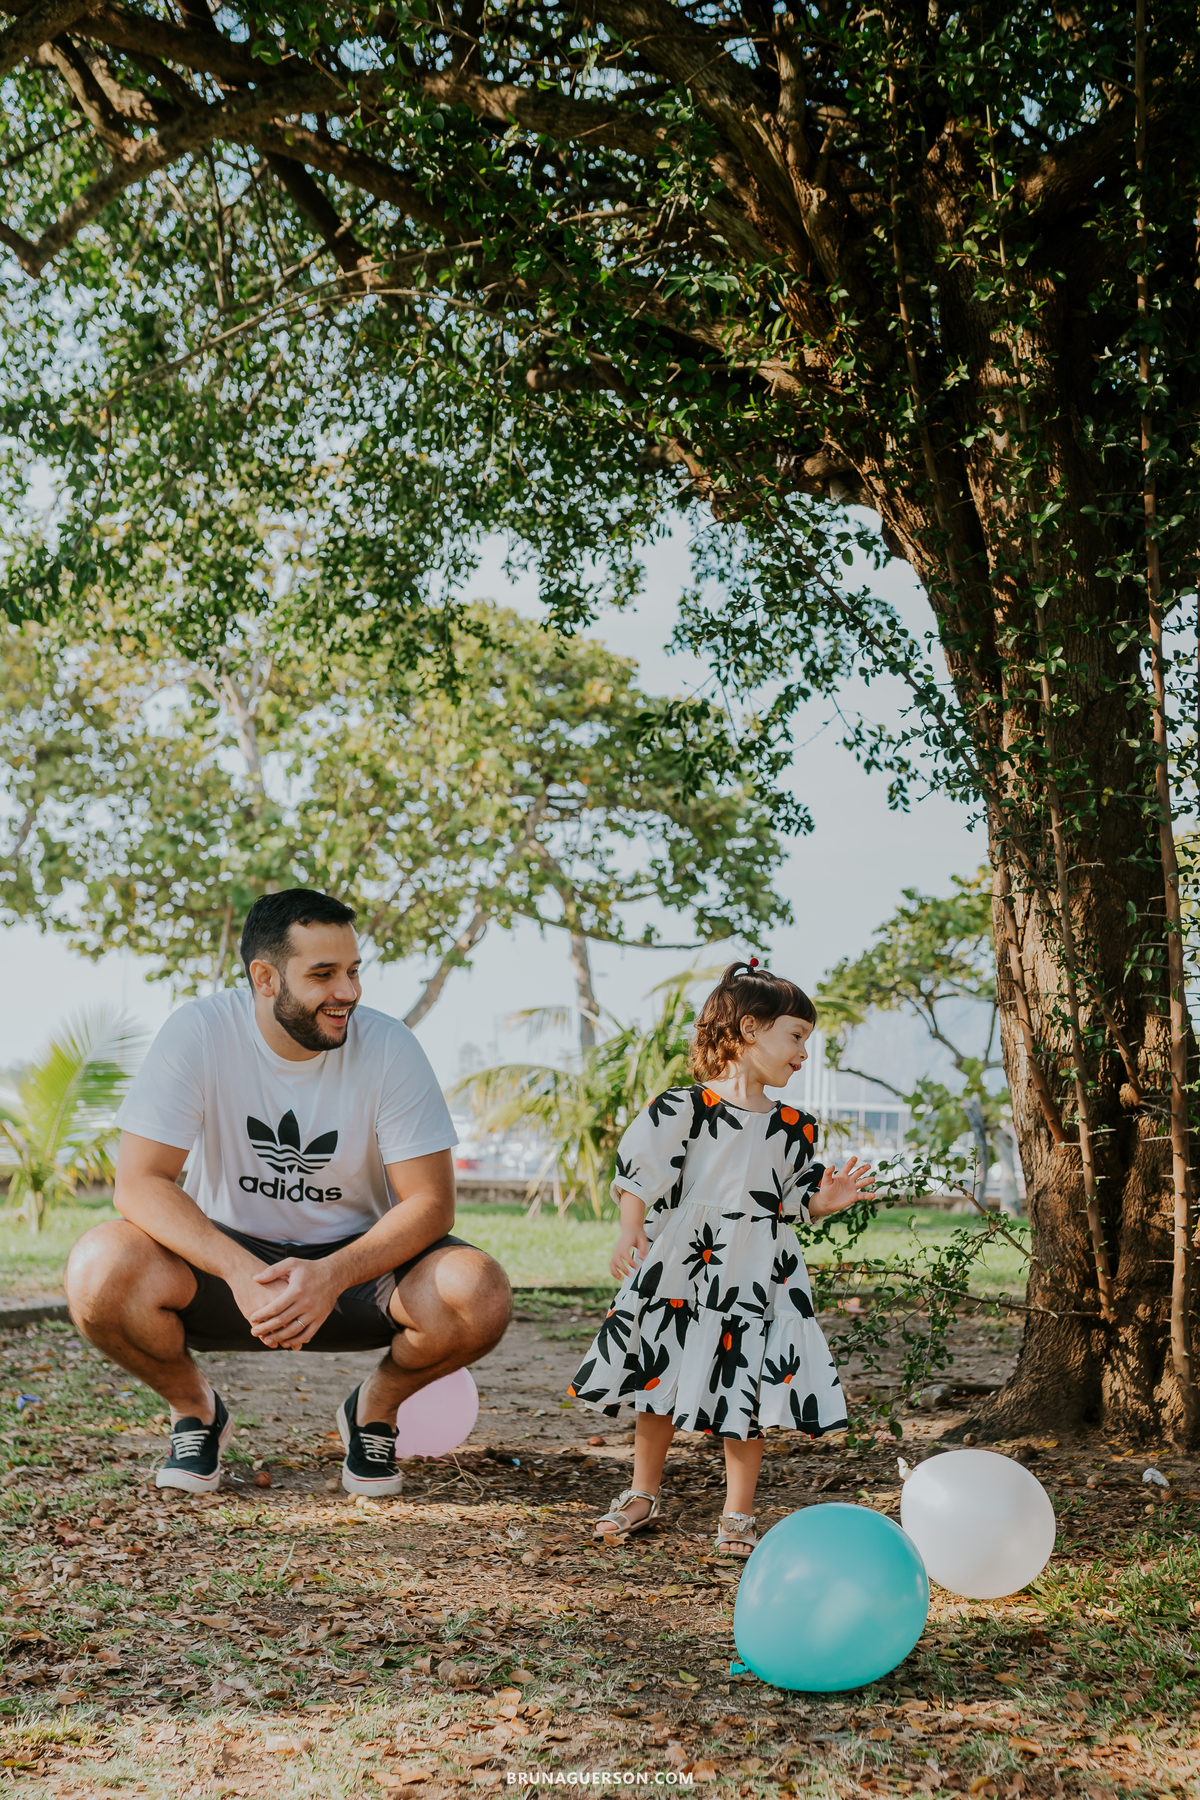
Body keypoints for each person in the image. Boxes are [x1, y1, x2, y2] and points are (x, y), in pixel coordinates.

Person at [64, 889, 511, 1498]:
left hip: (358, 1272)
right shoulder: (199, 1032)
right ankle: (195, 1412)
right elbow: (140, 1183)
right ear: (265, 978)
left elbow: (431, 1202)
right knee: (97, 1271)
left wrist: (332, 1275)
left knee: (478, 1292)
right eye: (323, 974)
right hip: (221, 1268)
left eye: (353, 971)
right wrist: (240, 1271)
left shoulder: (390, 1046)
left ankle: (374, 1413)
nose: (348, 991)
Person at [567, 960, 874, 1558]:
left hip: (758, 1273)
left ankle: (738, 1514)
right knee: (659, 1374)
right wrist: (629, 1229)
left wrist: (824, 1202)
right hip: (686, 1262)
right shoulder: (685, 1106)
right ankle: (642, 1494)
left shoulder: (795, 1127)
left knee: (747, 1384)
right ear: (750, 1029)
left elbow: (793, 1198)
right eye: (796, 1036)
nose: (802, 1054)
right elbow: (641, 1171)